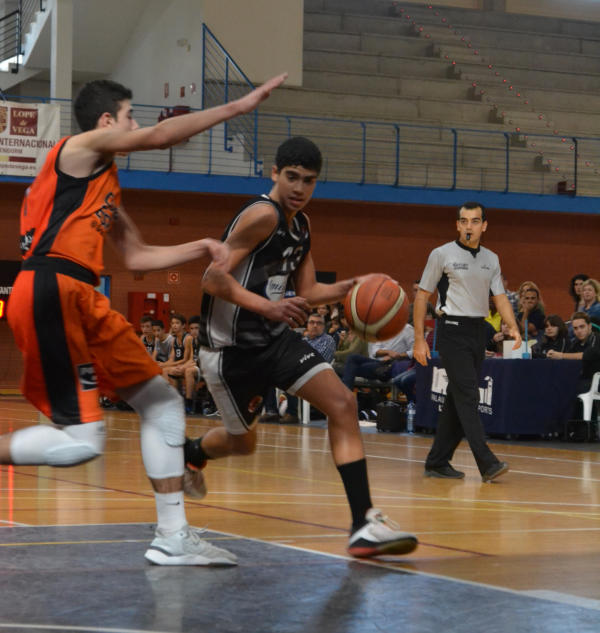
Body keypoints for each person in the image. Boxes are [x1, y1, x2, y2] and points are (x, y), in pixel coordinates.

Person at [1, 72, 287, 566]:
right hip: (52, 286)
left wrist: (199, 247)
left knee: (164, 405)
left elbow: (134, 256)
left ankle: (173, 536)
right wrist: (237, 108)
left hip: (79, 294)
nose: (138, 125)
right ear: (108, 121)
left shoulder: (102, 184)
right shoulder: (77, 148)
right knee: (81, 442)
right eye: (131, 115)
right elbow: (158, 137)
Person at [184, 136, 418, 558]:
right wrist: (269, 308)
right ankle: (192, 452)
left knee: (344, 403)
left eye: (309, 181)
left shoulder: (302, 227)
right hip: (231, 351)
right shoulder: (261, 216)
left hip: (276, 342)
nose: (299, 188)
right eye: (291, 177)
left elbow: (308, 290)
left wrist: (350, 288)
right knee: (242, 444)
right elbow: (212, 280)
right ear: (274, 173)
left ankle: (362, 522)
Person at [413, 201, 521, 482]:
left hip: (478, 331)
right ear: (457, 225)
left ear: (484, 226)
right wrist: (418, 340)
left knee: (456, 399)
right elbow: (422, 296)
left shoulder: (492, 259)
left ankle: (437, 462)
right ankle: (487, 463)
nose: (468, 226)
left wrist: (513, 326)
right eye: (464, 221)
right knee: (469, 395)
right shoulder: (441, 254)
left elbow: (499, 297)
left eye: (474, 221)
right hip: (451, 331)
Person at [281, 311, 336, 423]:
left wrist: (297, 360)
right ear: (307, 325)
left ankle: (292, 413)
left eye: (319, 323)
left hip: (317, 374)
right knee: (271, 371)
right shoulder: (303, 340)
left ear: (323, 327)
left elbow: (319, 360)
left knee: (291, 372)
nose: (315, 325)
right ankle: (271, 411)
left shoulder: (328, 340)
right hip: (299, 370)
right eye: (312, 322)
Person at [548, 312, 600, 396]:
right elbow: (566, 359)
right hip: (580, 379)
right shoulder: (575, 343)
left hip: (595, 381)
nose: (579, 331)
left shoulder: (597, 339)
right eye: (575, 328)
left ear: (589, 326)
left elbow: (586, 355)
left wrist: (561, 355)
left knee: (565, 388)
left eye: (582, 327)